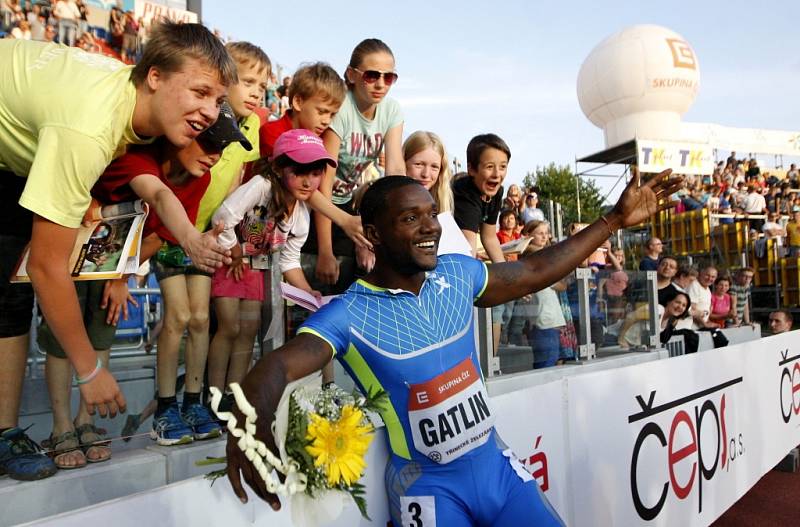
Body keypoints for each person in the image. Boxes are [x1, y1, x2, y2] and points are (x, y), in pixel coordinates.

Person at [223, 169, 679, 526]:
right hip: (428, 489)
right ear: (375, 234)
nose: (429, 229)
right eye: (410, 218)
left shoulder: (457, 274)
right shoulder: (349, 313)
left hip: (497, 471)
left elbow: (537, 268)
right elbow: (280, 365)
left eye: (430, 215)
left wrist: (614, 220)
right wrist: (252, 415)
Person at [0, 22, 234, 481]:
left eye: (218, 101)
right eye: (200, 92)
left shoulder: (131, 107)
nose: (209, 112)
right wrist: (89, 371)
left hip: (15, 155)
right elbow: (49, 268)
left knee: (10, 296)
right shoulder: (89, 127)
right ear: (155, 78)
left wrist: (188, 237)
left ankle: (5, 431)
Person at [39, 105, 247, 467]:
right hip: (70, 244)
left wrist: (122, 277)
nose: (215, 156)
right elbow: (156, 197)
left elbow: (158, 236)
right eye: (208, 143)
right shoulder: (138, 159)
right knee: (62, 338)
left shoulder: (199, 178)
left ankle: (84, 423)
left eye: (222, 148)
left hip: (114, 257)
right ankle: (61, 428)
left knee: (103, 329)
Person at [207, 130, 359, 407]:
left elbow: (290, 259)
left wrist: (307, 291)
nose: (308, 181)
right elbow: (224, 216)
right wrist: (234, 250)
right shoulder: (261, 186)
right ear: (278, 167)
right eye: (299, 171)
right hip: (229, 262)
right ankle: (212, 396)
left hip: (255, 269)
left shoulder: (301, 213)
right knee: (229, 326)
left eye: (315, 173)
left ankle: (234, 396)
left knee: (249, 330)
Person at [305, 38, 404, 296]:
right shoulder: (342, 109)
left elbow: (394, 170)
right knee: (324, 273)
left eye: (389, 77)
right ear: (351, 75)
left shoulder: (392, 110)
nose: (381, 84)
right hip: (314, 203)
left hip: (347, 202)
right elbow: (324, 184)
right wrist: (325, 251)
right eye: (372, 75)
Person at [453, 133, 510, 264]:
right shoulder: (464, 193)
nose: (497, 174)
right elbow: (468, 248)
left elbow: (489, 237)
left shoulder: (496, 192)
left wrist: (506, 274)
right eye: (489, 167)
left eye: (503, 166)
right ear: (471, 169)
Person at [618, 289, 691, 349]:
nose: (680, 307)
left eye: (684, 305)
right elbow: (631, 317)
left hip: (630, 345)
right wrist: (621, 339)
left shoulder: (670, 320)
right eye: (678, 302)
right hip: (614, 340)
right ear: (669, 301)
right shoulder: (658, 310)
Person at [403, 130, 454, 213]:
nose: (426, 174)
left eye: (434, 167)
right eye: (419, 164)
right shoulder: (387, 206)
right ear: (403, 163)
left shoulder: (444, 213)